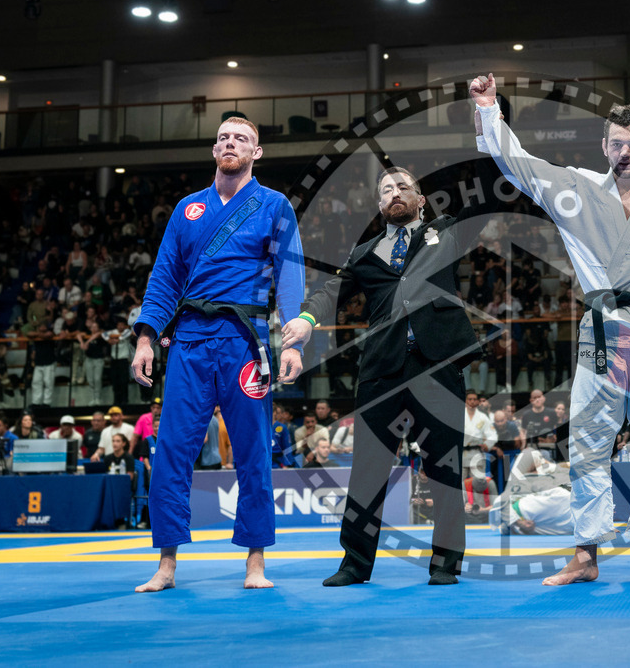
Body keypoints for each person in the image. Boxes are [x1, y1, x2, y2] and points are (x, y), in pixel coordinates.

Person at [471, 73, 630, 586]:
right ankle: (586, 554)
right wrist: (488, 108)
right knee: (590, 441)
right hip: (603, 329)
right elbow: (519, 164)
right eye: (615, 143)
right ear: (604, 146)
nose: (624, 152)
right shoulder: (580, 189)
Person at [129, 117, 306, 592]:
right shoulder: (188, 208)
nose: (232, 144)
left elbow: (289, 275)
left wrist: (294, 342)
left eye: (242, 139)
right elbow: (164, 277)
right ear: (214, 150)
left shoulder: (274, 205)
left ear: (257, 153)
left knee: (253, 451)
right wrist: (146, 338)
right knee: (171, 451)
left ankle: (255, 562)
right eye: (225, 138)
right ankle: (166, 563)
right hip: (188, 340)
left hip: (245, 342)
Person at [283, 166, 481, 587]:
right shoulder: (365, 254)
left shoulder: (445, 234)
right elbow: (331, 293)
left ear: (421, 200)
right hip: (382, 370)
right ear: (378, 205)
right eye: (386, 189)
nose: (395, 193)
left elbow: (484, 199)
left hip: (436, 365)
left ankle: (445, 564)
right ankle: (355, 564)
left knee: (444, 467)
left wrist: (486, 120)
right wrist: (305, 318)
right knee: (368, 469)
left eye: (404, 187)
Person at [462, 389, 497, 478]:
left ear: (477, 401)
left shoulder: (482, 417)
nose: (472, 402)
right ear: (466, 400)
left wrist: (487, 445)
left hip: (477, 453)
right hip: (462, 454)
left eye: (474, 399)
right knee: (461, 485)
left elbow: (493, 434)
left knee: (478, 485)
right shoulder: (460, 415)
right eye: (470, 399)